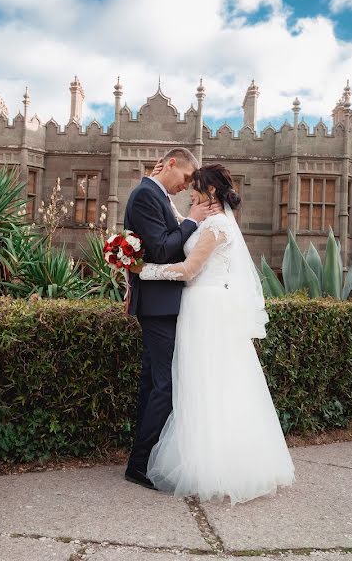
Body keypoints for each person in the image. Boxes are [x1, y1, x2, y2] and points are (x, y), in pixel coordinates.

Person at [136, 163, 295, 504]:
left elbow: (190, 269)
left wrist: (143, 271)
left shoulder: (218, 226)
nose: (191, 191)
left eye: (196, 187)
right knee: (204, 382)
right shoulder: (211, 221)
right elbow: (184, 230)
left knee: (207, 382)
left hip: (205, 307)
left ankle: (215, 465)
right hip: (202, 305)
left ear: (210, 192)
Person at [122, 147, 218, 489]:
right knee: (166, 385)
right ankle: (140, 463)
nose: (188, 186)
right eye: (187, 177)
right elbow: (162, 249)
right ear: (172, 164)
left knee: (153, 383)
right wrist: (192, 219)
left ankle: (143, 459)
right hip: (158, 305)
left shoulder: (158, 196)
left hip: (163, 303)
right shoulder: (146, 195)